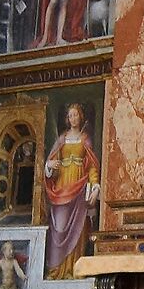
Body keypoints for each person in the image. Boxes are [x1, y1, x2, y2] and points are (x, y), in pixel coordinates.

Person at [42, 104, 101, 279]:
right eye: (70, 115)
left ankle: (73, 269)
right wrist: (49, 165)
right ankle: (56, 270)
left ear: (80, 117)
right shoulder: (61, 139)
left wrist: (95, 186)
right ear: (67, 119)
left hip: (79, 185)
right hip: (62, 186)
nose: (73, 118)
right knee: (58, 227)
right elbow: (51, 161)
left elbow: (91, 167)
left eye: (76, 115)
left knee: (78, 227)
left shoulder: (85, 139)